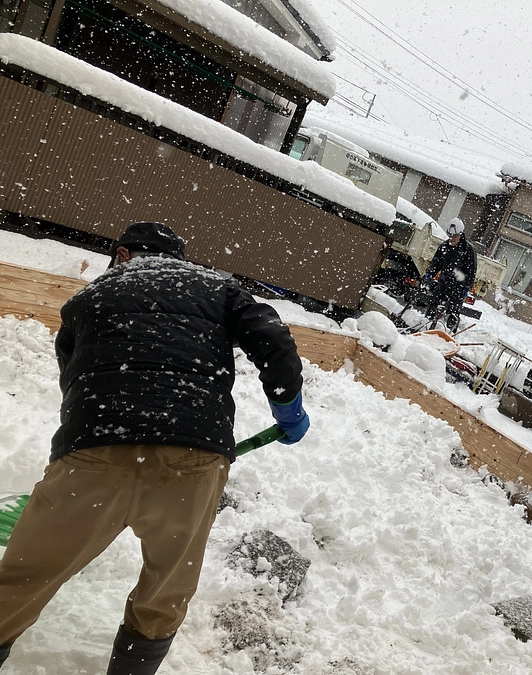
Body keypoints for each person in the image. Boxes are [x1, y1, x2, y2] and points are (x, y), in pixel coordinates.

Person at [0, 222, 309, 674]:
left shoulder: (87, 300)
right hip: (192, 461)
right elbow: (273, 340)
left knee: (24, 576)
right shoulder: (218, 287)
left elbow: (73, 378)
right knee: (166, 588)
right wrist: (288, 408)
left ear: (123, 254)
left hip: (94, 454)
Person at [421, 217, 477, 332]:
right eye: (449, 236)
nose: (451, 239)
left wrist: (466, 288)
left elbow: (471, 272)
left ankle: (449, 335)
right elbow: (436, 264)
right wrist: (429, 275)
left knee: (453, 313)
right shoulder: (444, 247)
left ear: (460, 234)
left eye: (454, 236)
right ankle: (426, 328)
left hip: (458, 288)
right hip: (443, 284)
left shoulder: (468, 250)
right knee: (433, 305)